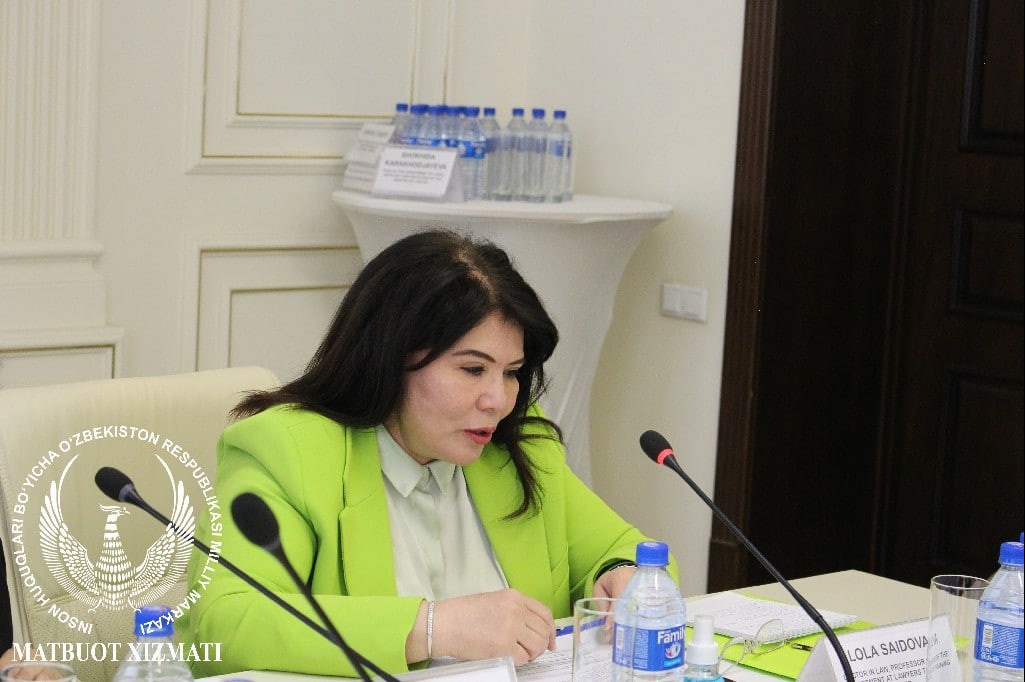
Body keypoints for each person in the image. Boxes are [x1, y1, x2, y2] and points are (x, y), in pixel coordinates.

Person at [180, 229, 677, 677]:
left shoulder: (517, 444)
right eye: (472, 369)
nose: (498, 400)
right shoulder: (286, 449)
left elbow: (632, 554)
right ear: (390, 357)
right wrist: (434, 627)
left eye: (511, 372)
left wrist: (624, 577)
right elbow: (223, 622)